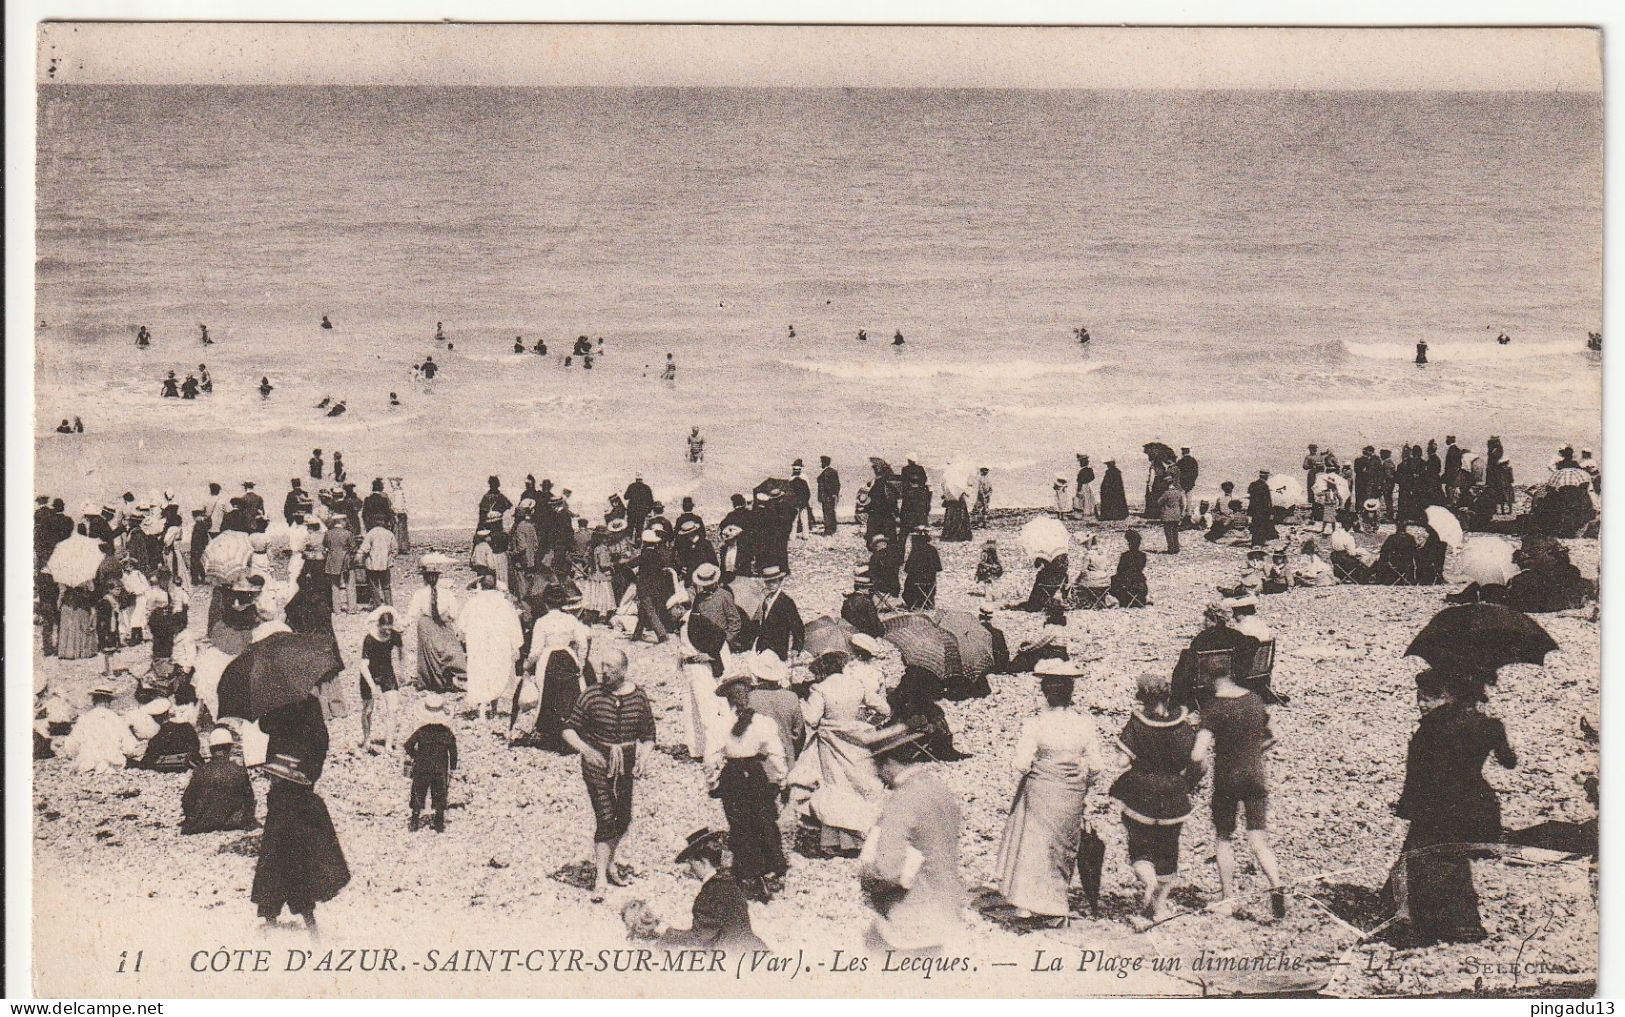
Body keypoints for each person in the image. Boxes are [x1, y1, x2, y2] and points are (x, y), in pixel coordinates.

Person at [1389, 670, 1517, 945]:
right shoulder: (1490, 725)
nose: (1420, 705)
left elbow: (1418, 772)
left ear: (1447, 696)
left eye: (1425, 699)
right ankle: (1464, 925)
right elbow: (1509, 761)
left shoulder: (1431, 728)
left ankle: (1417, 925)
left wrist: (1407, 808)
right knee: (1454, 861)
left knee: (1422, 859)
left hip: (1436, 803)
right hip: (1475, 804)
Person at [994, 660, 1104, 924]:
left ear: (1045, 691)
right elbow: (1097, 766)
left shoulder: (1036, 724)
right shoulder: (1084, 724)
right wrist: (1081, 779)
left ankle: (1027, 904)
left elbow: (1020, 763)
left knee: (1034, 844)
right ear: (1071, 691)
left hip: (1042, 788)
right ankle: (1056, 903)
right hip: (1071, 792)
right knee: (1063, 849)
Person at [859, 721, 963, 955]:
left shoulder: (901, 801)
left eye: (876, 766)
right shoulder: (939, 789)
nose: (877, 774)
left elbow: (888, 869)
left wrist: (867, 878)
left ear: (886, 764)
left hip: (911, 911)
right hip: (948, 904)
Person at [1193, 661, 1285, 919]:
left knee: (1224, 838)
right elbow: (1272, 737)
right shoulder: (1254, 700)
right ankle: (1276, 884)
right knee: (1258, 839)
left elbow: (1198, 752)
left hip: (1228, 779)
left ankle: (1228, 898)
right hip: (1255, 775)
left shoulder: (1213, 707)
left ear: (1207, 678)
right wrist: (1252, 752)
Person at [1110, 672, 1201, 926]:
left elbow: (1122, 761)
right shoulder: (1182, 725)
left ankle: (1147, 881)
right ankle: (1159, 908)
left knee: (1140, 848)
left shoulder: (1138, 723)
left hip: (1141, 793)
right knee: (1168, 851)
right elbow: (1199, 762)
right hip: (1174, 795)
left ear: (1141, 697)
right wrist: (1187, 783)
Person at [794, 650, 889, 856]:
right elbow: (884, 710)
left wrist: (801, 704)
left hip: (830, 742)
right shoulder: (857, 684)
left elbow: (811, 719)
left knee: (834, 786)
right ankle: (853, 840)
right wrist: (866, 724)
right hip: (855, 738)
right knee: (854, 786)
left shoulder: (820, 688)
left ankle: (831, 841)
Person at [708, 673, 789, 902]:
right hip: (755, 773)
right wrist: (781, 779)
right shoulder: (763, 722)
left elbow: (710, 758)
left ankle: (748, 874)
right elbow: (776, 754)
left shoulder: (719, 723)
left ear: (727, 699)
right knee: (764, 819)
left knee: (739, 823)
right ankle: (772, 869)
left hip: (732, 774)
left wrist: (712, 782)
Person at [251, 753, 350, 933]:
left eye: (272, 777)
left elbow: (272, 837)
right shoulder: (311, 800)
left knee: (270, 892)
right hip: (303, 861)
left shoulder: (278, 801)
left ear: (282, 779)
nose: (270, 780)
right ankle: (313, 932)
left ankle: (271, 929)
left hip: (279, 858)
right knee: (303, 899)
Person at [652, 829, 768, 949]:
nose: (690, 868)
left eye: (691, 862)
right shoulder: (731, 884)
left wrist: (667, 931)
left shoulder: (709, 893)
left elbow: (700, 938)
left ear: (702, 862)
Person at [524, 589, 593, 752]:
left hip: (549, 658)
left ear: (546, 603)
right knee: (571, 693)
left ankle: (551, 733)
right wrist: (581, 662)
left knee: (548, 694)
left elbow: (536, 650)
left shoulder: (541, 621)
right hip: (568, 656)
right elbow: (582, 643)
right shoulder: (571, 620)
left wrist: (528, 663)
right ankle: (574, 731)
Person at [458, 574, 524, 720]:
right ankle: (494, 708)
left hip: (478, 645)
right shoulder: (504, 603)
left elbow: (462, 625)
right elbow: (514, 625)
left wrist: (462, 639)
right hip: (499, 644)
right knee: (496, 672)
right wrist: (516, 646)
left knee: (480, 673)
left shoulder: (473, 602)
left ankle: (482, 710)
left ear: (480, 586)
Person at [401, 553, 465, 693]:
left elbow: (412, 613)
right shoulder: (447, 593)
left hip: (429, 624)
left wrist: (402, 625)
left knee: (431, 654)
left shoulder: (420, 593)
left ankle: (431, 680)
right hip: (439, 624)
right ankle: (446, 679)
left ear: (424, 578)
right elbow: (454, 613)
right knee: (446, 651)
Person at [181, 728, 257, 834]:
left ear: (211, 749)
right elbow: (249, 801)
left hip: (203, 824)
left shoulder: (200, 771)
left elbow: (187, 801)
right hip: (234, 823)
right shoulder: (239, 770)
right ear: (230, 747)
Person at [402, 694, 458, 833]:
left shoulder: (422, 731)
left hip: (422, 765)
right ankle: (439, 821)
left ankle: (415, 819)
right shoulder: (447, 732)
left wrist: (416, 756)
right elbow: (453, 751)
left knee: (418, 791)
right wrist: (453, 767)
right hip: (440, 767)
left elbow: (408, 745)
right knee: (440, 792)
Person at [357, 607, 405, 753]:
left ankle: (389, 744)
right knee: (368, 710)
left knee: (393, 709)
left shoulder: (395, 635)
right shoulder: (370, 639)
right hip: (369, 672)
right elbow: (363, 666)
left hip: (386, 671)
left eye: (389, 629)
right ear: (378, 626)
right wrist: (372, 685)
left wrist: (402, 671)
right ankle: (367, 740)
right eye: (384, 630)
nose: (387, 633)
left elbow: (402, 652)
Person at [750, 564, 804, 660]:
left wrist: (796, 648)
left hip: (778, 648)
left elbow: (798, 627)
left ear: (780, 581)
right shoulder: (767, 599)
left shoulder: (786, 601)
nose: (771, 584)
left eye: (774, 581)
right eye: (768, 582)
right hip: (764, 648)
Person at [135, 698, 202, 772]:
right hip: (186, 764)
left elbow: (152, 750)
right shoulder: (187, 726)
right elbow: (196, 746)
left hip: (167, 766)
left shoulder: (161, 731)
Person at [359, 518, 397, 608]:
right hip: (385, 565)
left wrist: (360, 557)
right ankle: (389, 607)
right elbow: (395, 550)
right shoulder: (389, 534)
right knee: (386, 587)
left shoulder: (371, 533)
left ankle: (378, 607)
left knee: (374, 587)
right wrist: (390, 559)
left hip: (372, 565)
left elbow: (365, 549)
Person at [902, 527, 941, 609]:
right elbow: (938, 567)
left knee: (909, 583)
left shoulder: (916, 551)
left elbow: (907, 568)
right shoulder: (933, 550)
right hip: (930, 581)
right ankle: (927, 602)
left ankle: (914, 603)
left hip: (917, 580)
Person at [1110, 529, 1149, 608]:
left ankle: (1123, 600)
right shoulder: (1143, 555)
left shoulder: (1125, 556)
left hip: (1126, 582)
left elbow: (1119, 569)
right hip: (1139, 581)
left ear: (1129, 543)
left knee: (1114, 580)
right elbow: (1141, 567)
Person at [1247, 470, 1277, 546]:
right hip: (1263, 511)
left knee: (1255, 526)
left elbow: (1250, 498)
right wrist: (1271, 512)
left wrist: (1249, 511)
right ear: (1266, 476)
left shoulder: (1252, 484)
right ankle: (1260, 543)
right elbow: (1268, 501)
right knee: (1262, 527)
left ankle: (1255, 543)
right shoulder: (1265, 486)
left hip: (1254, 510)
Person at [1158, 480, 1187, 554]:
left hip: (1167, 515)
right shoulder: (1178, 492)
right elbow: (1183, 503)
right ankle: (1176, 548)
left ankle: (1171, 549)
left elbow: (1159, 502)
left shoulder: (1166, 493)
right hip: (1176, 515)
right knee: (1175, 532)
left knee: (1168, 533)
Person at [817, 456, 841, 535]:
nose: (821, 464)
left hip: (827, 496)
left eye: (821, 462)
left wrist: (829, 494)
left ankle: (828, 530)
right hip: (830, 496)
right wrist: (835, 494)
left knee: (827, 513)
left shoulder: (826, 473)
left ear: (824, 463)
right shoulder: (833, 471)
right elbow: (837, 484)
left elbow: (827, 486)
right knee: (831, 512)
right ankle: (832, 529)